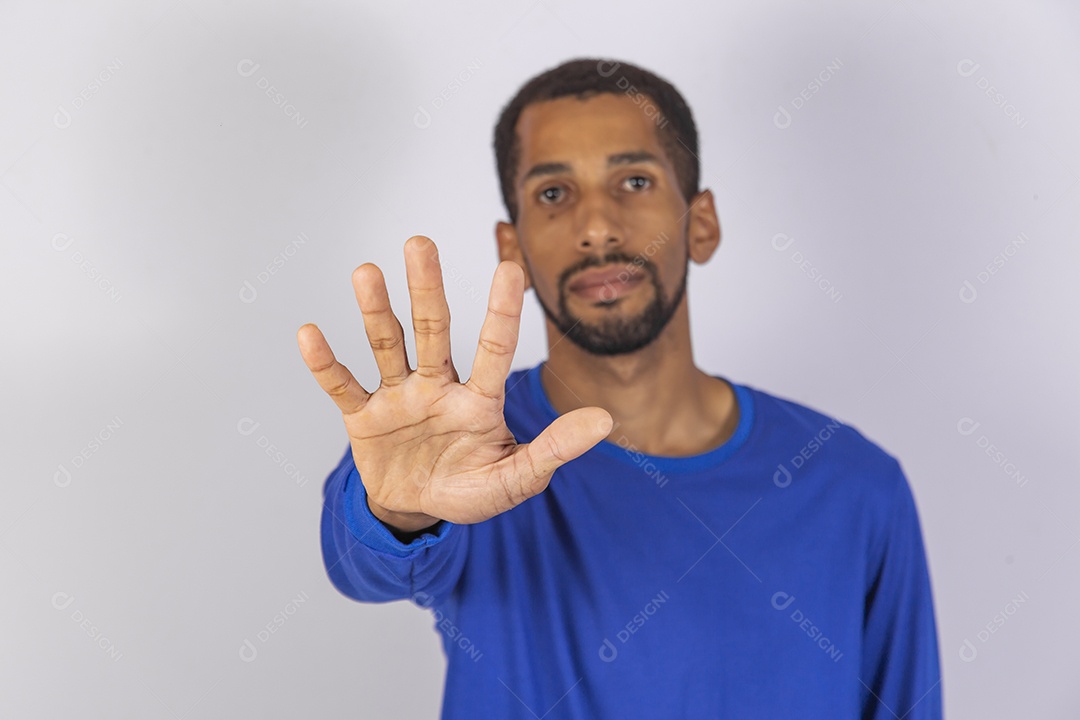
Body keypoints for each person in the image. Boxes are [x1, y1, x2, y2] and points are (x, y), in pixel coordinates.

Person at [297, 57, 943, 719]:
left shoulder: (856, 485)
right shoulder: (465, 453)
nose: (598, 226)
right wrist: (400, 511)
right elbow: (361, 564)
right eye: (554, 193)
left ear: (701, 223)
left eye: (633, 180)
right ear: (511, 247)